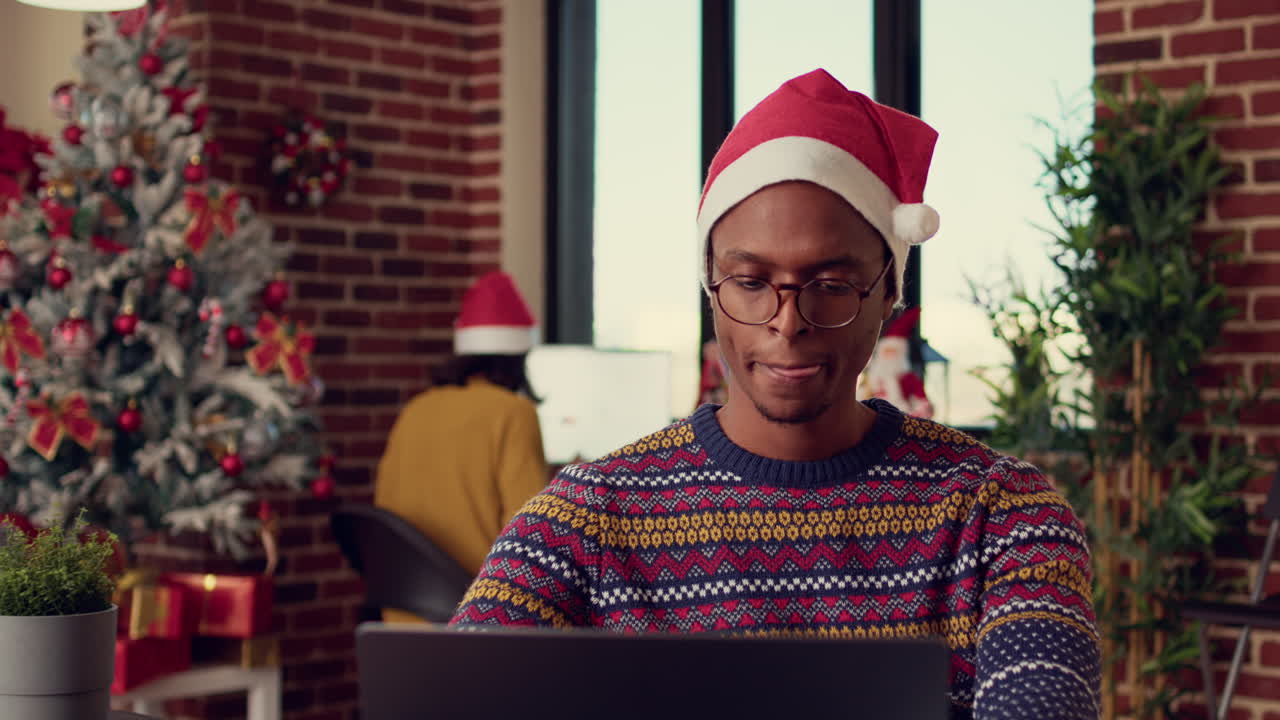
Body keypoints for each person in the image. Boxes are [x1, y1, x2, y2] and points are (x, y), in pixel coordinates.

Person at [451, 69, 1100, 718]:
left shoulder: (1001, 516)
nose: (787, 322)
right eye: (751, 281)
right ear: (711, 286)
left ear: (887, 295)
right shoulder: (579, 522)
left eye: (832, 283)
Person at [375, 270, 548, 623]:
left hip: (400, 617)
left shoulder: (417, 408)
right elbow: (531, 533)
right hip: (477, 623)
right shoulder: (514, 413)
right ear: (519, 357)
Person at [860, 306, 934, 418]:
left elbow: (923, 406)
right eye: (886, 353)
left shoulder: (908, 379)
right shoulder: (869, 380)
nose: (888, 358)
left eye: (892, 353)